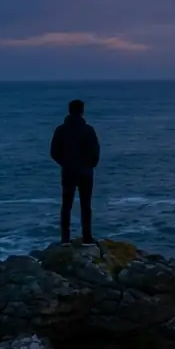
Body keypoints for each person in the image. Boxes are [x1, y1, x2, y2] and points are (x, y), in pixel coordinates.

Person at [50, 99, 100, 245]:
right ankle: (87, 237)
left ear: (69, 111)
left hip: (68, 171)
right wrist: (90, 165)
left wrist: (65, 163)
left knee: (66, 205)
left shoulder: (61, 130)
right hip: (86, 172)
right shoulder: (88, 130)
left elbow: (54, 152)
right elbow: (95, 151)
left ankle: (65, 238)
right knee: (86, 205)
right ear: (82, 111)